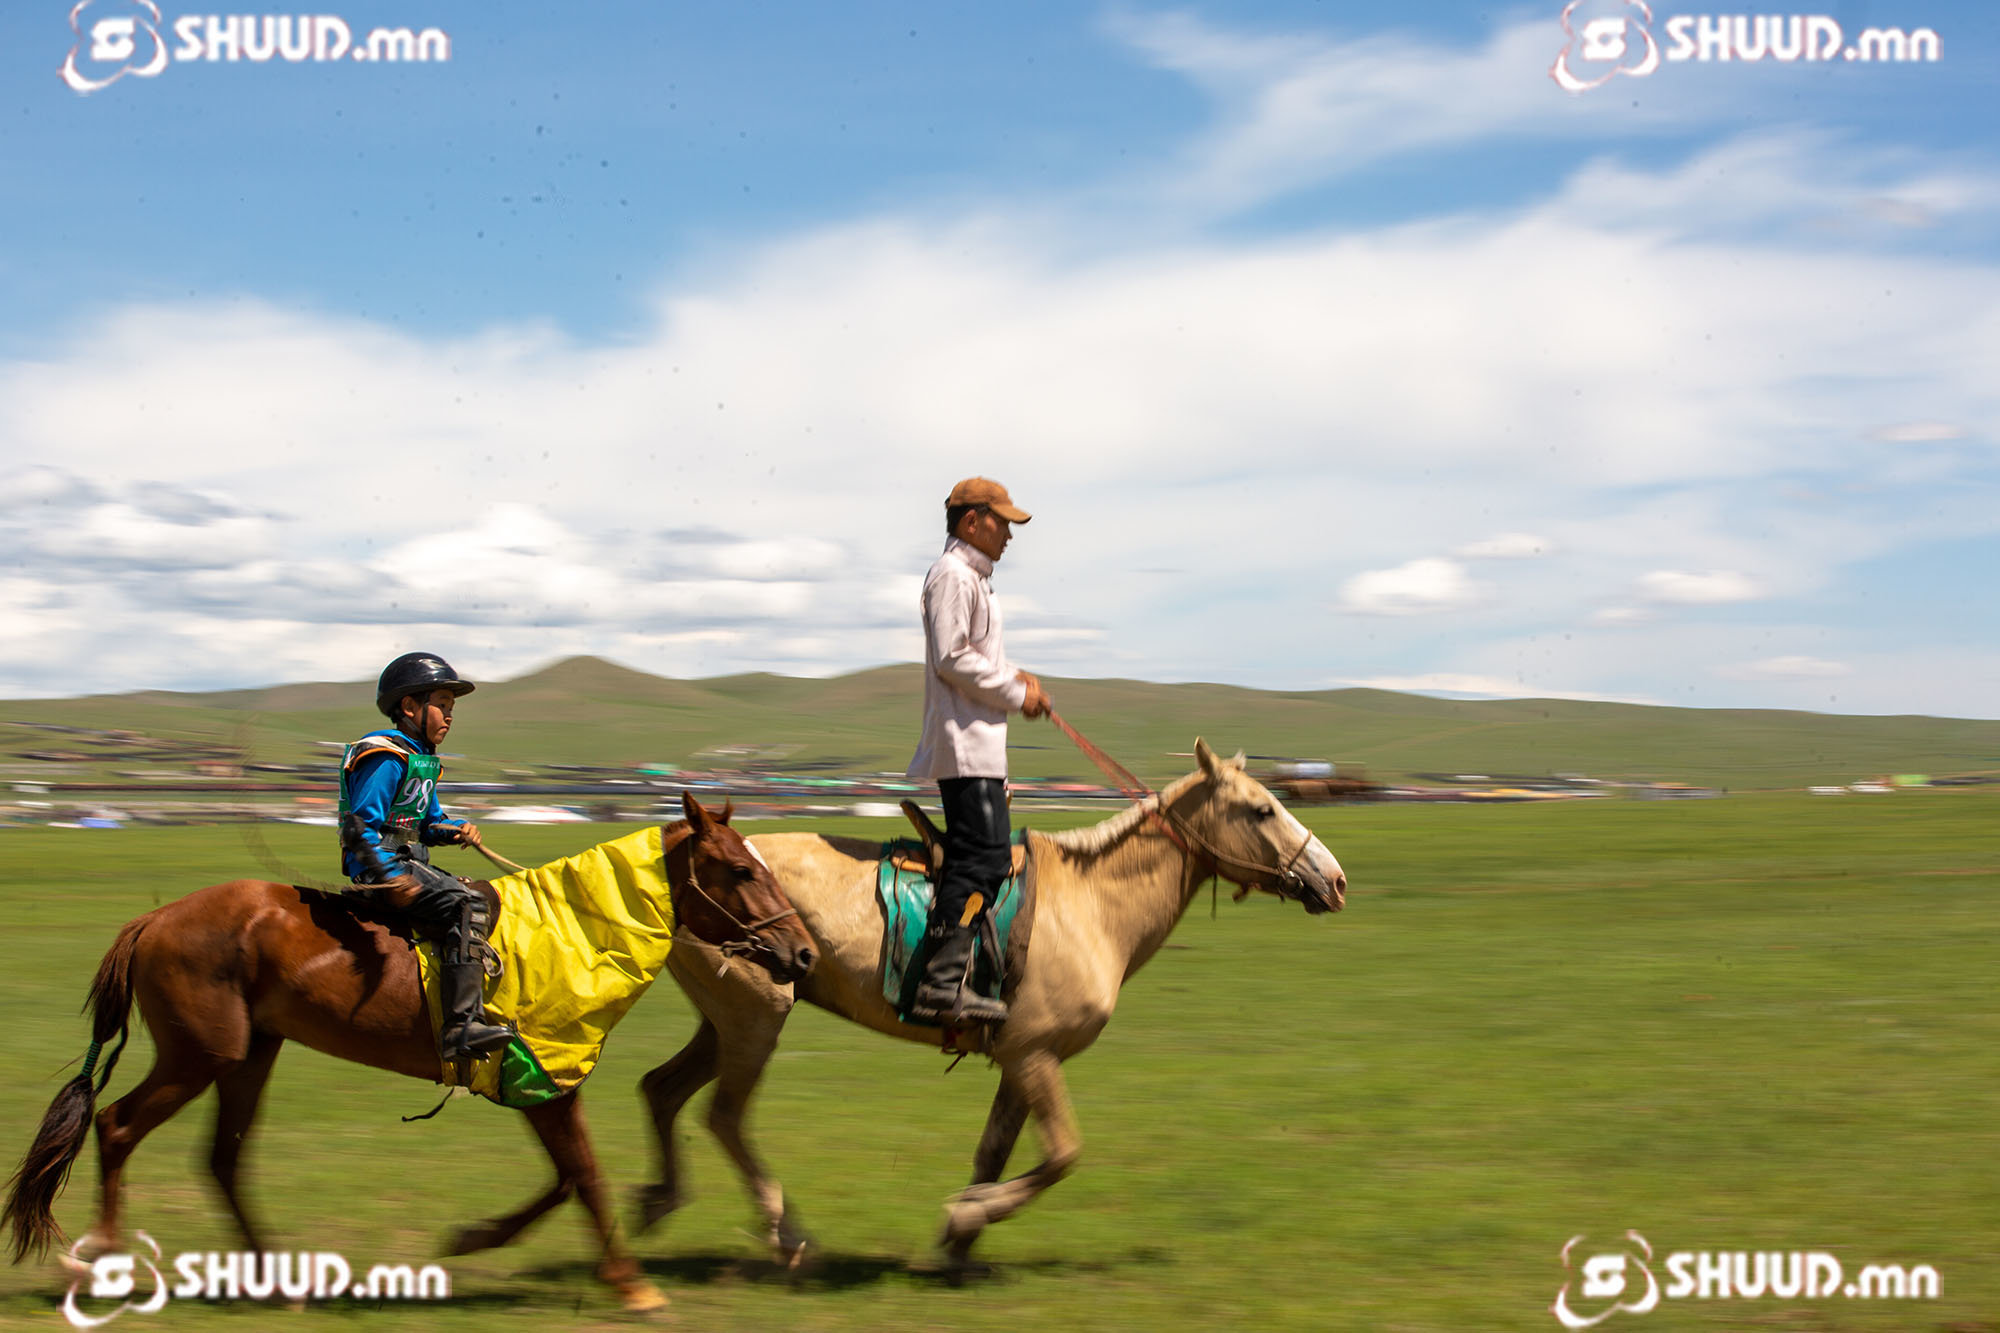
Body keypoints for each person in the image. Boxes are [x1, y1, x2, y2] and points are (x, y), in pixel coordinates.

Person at [905, 478, 1051, 1025]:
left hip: (979, 746)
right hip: (964, 747)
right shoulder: (953, 576)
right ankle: (941, 988)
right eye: (1002, 522)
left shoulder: (974, 581)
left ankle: (959, 975)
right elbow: (952, 658)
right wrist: (1016, 693)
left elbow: (971, 657)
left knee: (988, 860)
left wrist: (1015, 677)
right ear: (972, 521)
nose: (1010, 534)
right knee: (982, 862)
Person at [339, 652, 514, 1059]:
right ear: (410, 707)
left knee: (482, 893)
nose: (449, 717)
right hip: (382, 868)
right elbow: (359, 827)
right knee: (467, 903)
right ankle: (461, 1029)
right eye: (442, 706)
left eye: (452, 709)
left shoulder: (420, 760)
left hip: (409, 861)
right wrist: (390, 876)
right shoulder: (385, 755)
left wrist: (456, 830)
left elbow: (427, 823)